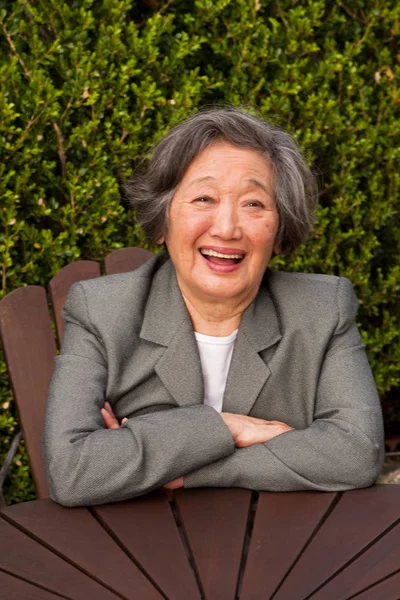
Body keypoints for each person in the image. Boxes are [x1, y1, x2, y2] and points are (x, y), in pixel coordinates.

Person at [43, 107, 384, 506]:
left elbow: (357, 453)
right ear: (163, 219)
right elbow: (73, 471)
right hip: (135, 549)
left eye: (253, 204)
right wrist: (227, 428)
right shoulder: (101, 311)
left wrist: (180, 465)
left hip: (284, 546)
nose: (226, 227)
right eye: (204, 198)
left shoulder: (323, 310)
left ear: (279, 230)